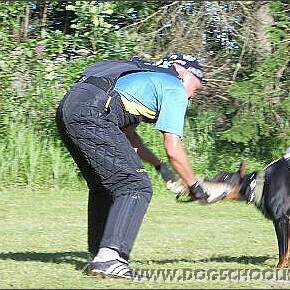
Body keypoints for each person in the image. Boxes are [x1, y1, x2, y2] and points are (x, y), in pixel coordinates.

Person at [55, 53, 226, 279]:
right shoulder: (174, 87)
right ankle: (110, 258)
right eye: (198, 80)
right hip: (93, 112)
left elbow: (129, 138)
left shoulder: (144, 80)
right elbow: (173, 147)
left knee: (104, 186)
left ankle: (98, 256)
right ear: (183, 71)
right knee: (135, 186)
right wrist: (195, 185)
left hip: (70, 108)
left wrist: (161, 168)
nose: (197, 89)